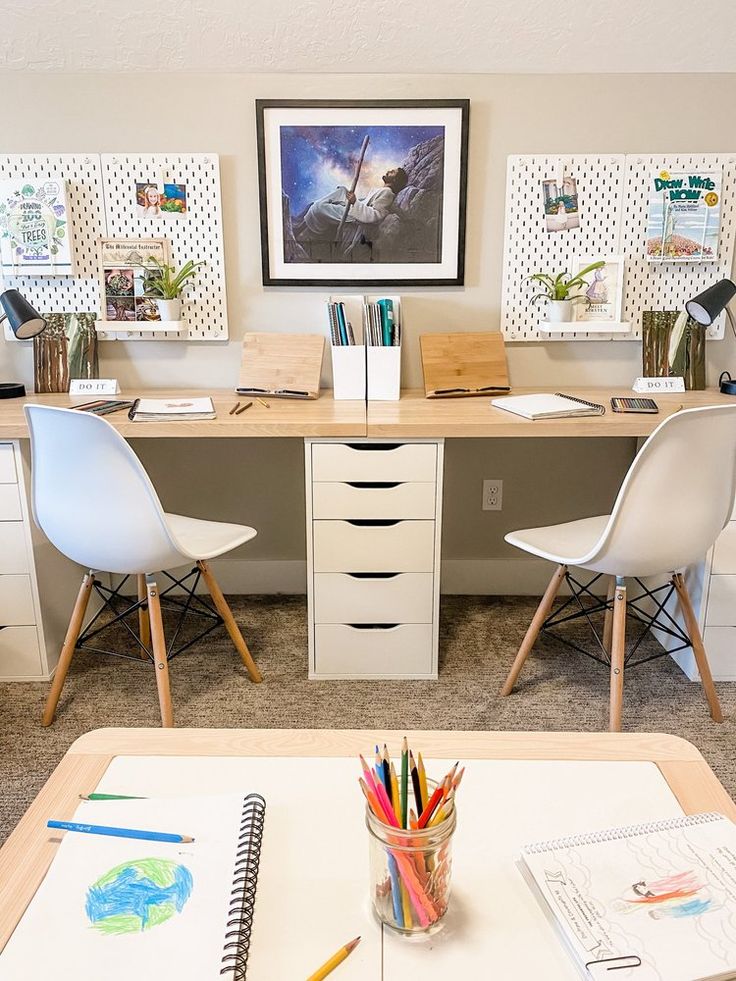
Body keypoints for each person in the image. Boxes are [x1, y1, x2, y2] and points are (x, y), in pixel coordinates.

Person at [297, 168, 408, 242]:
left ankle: (313, 227)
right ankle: (310, 216)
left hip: (355, 215)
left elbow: (376, 216)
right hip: (355, 208)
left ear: (394, 179)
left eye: (392, 172)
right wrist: (353, 199)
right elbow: (365, 202)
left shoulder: (387, 193)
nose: (388, 171)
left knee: (318, 207)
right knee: (342, 190)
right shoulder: (382, 190)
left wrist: (355, 202)